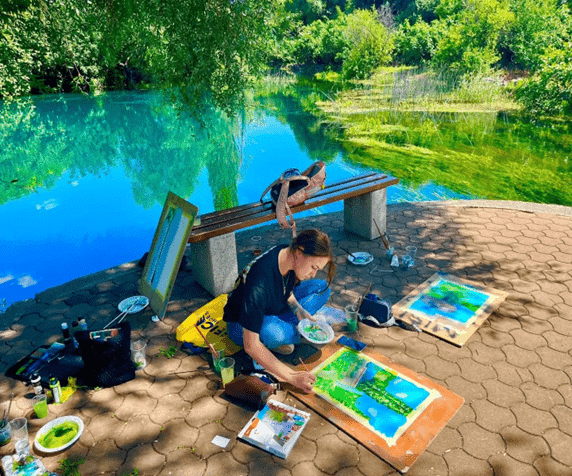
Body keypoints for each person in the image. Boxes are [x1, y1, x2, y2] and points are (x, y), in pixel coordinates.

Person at [223, 229, 336, 393]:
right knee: (274, 334)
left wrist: (298, 309)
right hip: (240, 325)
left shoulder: (286, 252)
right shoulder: (260, 281)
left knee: (321, 288)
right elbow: (251, 346)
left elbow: (285, 287)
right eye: (313, 267)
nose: (313, 274)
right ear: (299, 253)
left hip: (272, 307)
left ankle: (290, 329)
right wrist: (292, 377)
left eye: (317, 269)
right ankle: (287, 335)